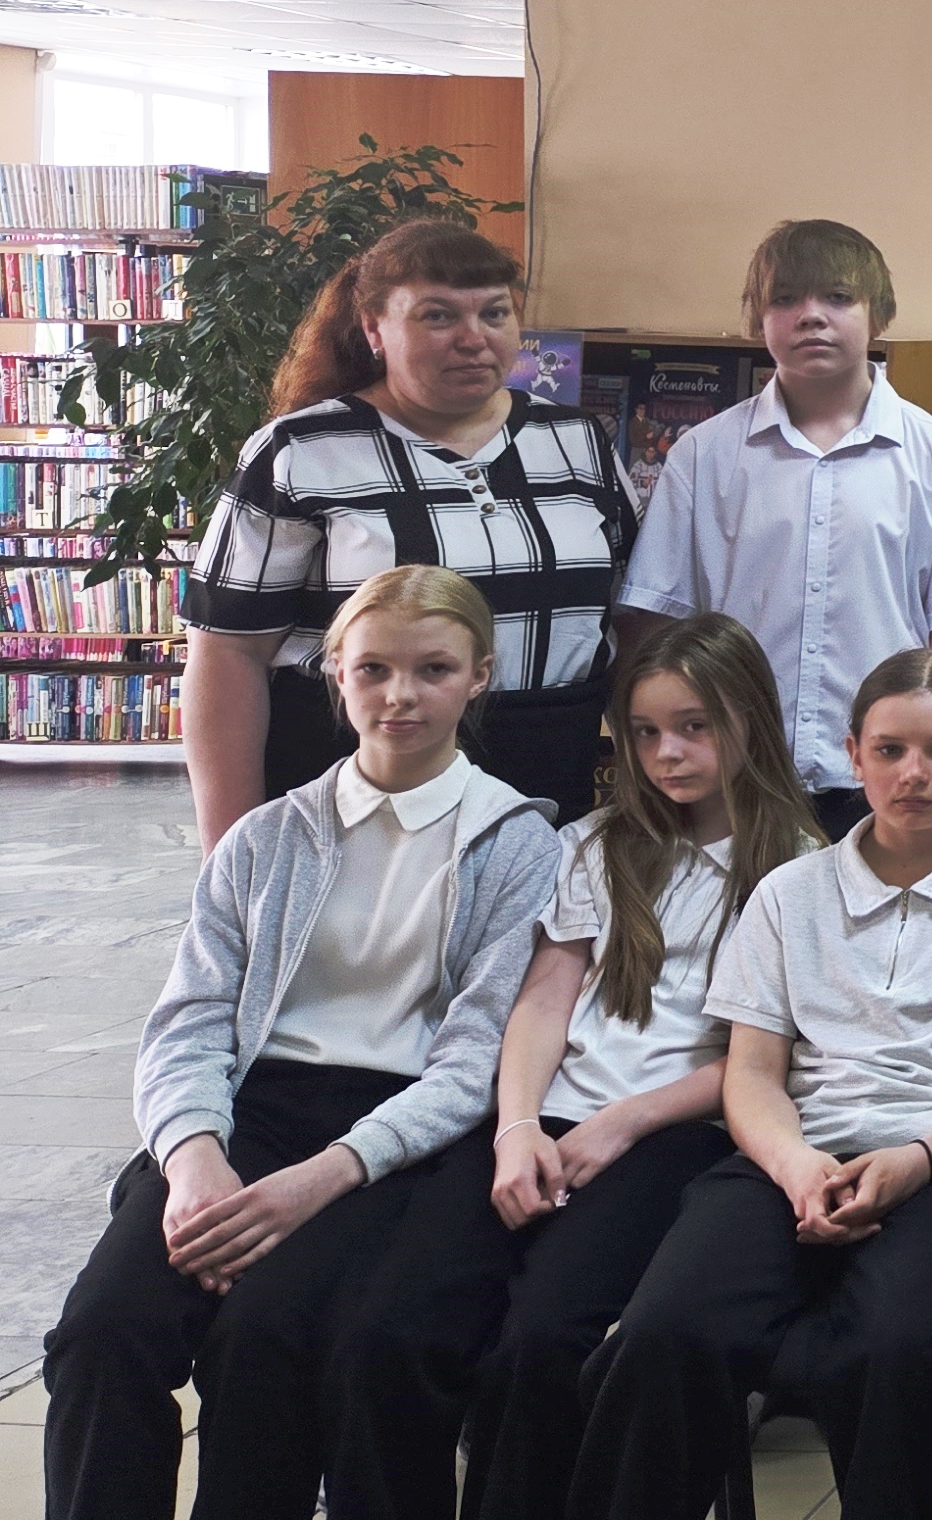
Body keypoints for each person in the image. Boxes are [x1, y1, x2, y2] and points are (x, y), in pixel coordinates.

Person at [47, 565, 565, 1520]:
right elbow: (189, 1021)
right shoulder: (265, 838)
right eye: (373, 670)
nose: (400, 696)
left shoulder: (521, 845)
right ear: (335, 673)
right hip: (248, 1113)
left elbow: (473, 1061)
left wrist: (316, 1180)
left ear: (479, 677)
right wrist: (193, 1162)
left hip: (399, 1135)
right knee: (102, 1333)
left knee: (265, 1338)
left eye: (433, 669)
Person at [570, 649, 932, 1520]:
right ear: (853, 755)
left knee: (900, 1349)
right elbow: (753, 1071)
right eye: (889, 750)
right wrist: (794, 1166)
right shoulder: (791, 891)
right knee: (665, 1332)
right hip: (791, 1155)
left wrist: (918, 1161)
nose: (913, 774)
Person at [465, 616, 822, 1520]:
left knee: (545, 1336)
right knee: (421, 1316)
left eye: (695, 728)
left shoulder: (799, 868)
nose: (668, 753)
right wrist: (516, 1125)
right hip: (548, 1123)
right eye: (647, 732)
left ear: (750, 720)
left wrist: (624, 1121)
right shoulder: (596, 843)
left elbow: (761, 1061)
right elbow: (544, 1001)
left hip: (677, 1133)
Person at [185, 217, 637, 839]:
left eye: (495, 314)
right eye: (437, 316)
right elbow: (229, 653)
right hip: (353, 792)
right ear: (374, 328)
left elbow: (629, 620)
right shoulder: (300, 451)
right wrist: (232, 846)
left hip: (547, 783)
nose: (474, 339)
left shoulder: (578, 440)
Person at [616, 219, 932, 830]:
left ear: (879, 313)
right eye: (785, 299)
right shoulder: (703, 456)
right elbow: (656, 623)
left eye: (838, 297)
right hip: (735, 777)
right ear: (757, 319)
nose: (811, 316)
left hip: (882, 784)